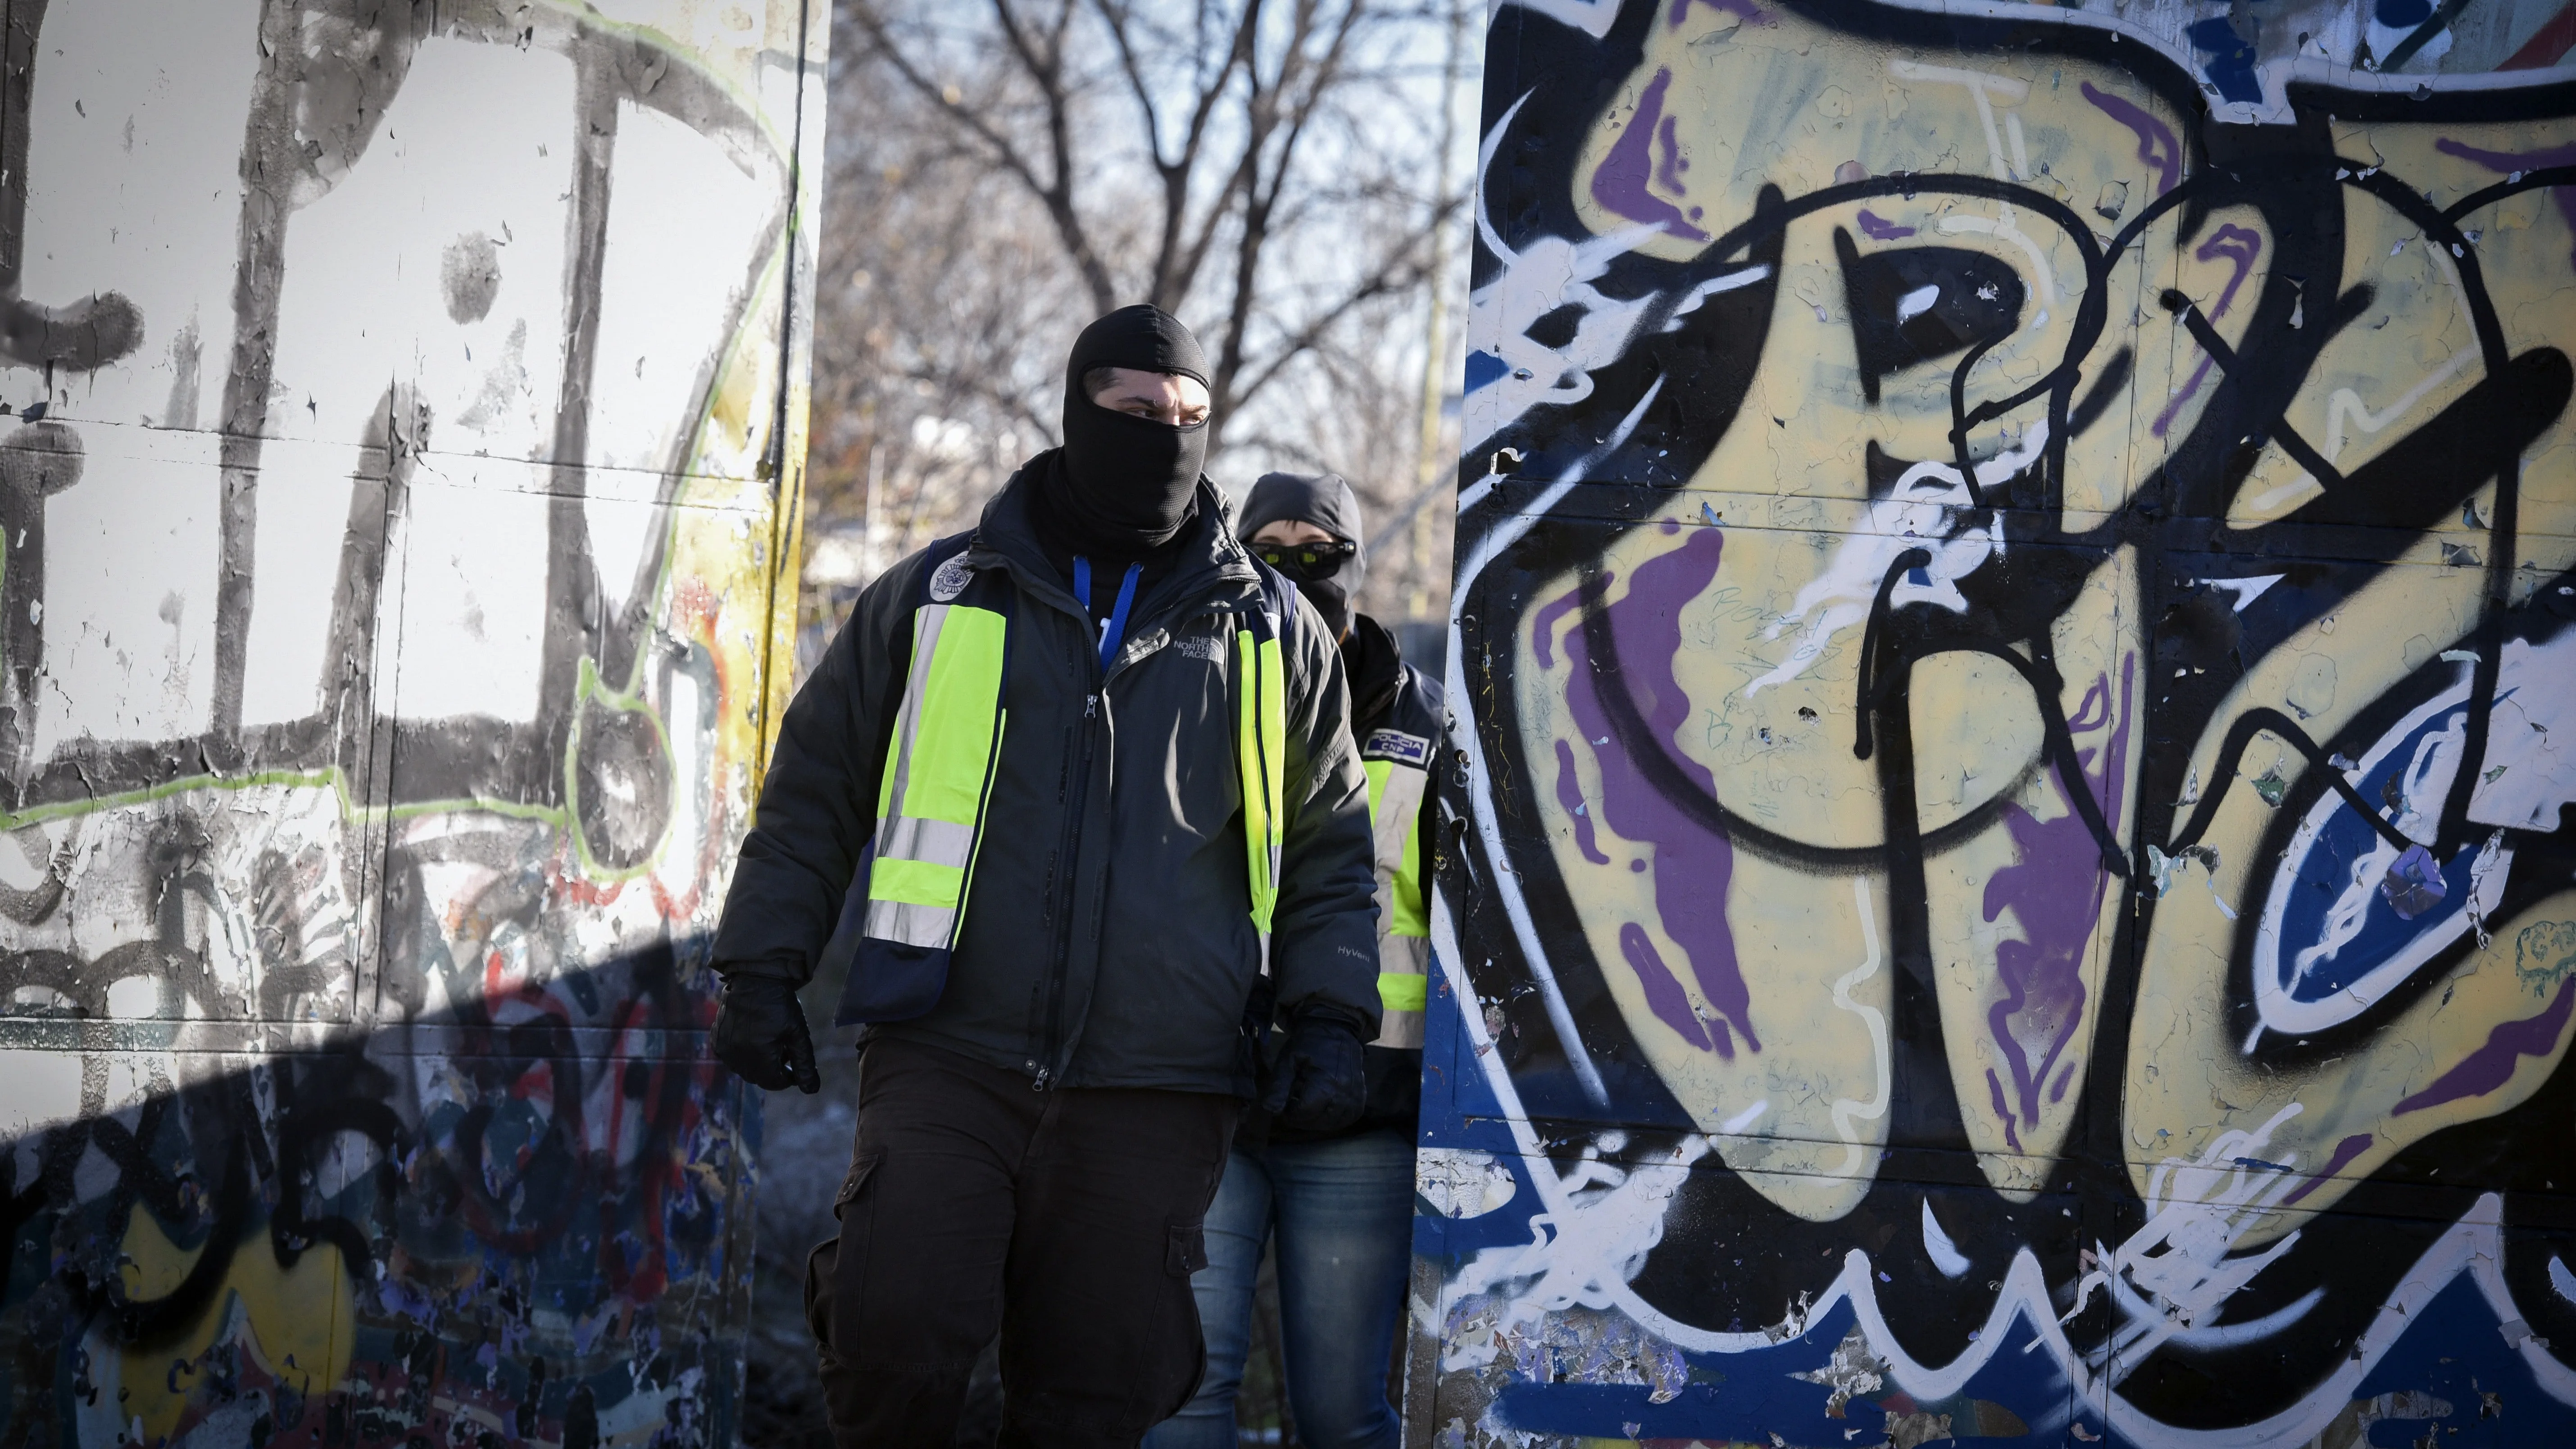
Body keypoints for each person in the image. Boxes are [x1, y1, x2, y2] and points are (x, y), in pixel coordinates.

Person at [707, 305, 1384, 1448]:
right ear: (1079, 410)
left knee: (1096, 1395)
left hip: (1158, 1084)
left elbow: (1329, 848)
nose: (1166, 437)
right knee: (892, 1341)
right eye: (1135, 413)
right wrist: (760, 967)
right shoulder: (940, 596)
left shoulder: (1272, 634)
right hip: (948, 1051)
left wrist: (1329, 1016)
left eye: (1190, 419)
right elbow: (817, 786)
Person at [1145, 472, 1443, 1449]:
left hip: (1361, 1113)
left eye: (1322, 557)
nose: (1297, 575)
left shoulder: (1430, 730)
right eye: (1271, 556)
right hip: (1207, 1099)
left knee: (1341, 1416)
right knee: (1181, 1395)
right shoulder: (1187, 698)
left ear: (1356, 568)